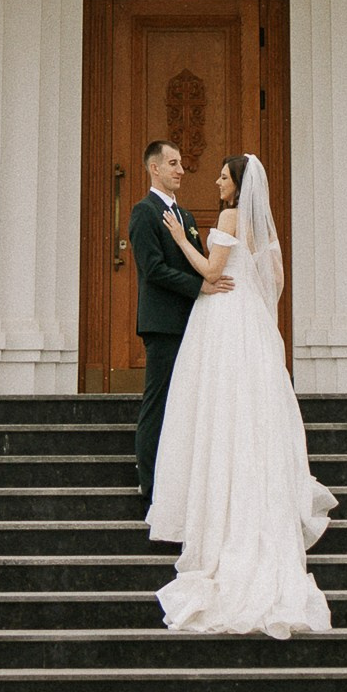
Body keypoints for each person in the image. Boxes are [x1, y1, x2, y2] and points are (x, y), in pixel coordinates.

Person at [147, 152, 335, 635]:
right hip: (253, 322)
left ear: (238, 185)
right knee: (252, 412)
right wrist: (255, 301)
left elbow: (212, 273)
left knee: (218, 406)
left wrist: (179, 240)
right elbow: (277, 280)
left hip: (224, 318)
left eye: (223, 177)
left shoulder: (231, 217)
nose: (217, 182)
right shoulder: (262, 227)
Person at [128, 138, 223, 510]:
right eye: (173, 164)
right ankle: (150, 485)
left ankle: (179, 481)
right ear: (154, 168)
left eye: (181, 163)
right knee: (159, 402)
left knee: (185, 403)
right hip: (163, 323)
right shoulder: (144, 212)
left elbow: (197, 260)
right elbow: (152, 269)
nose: (181, 170)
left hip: (192, 323)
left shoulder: (185, 217)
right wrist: (199, 287)